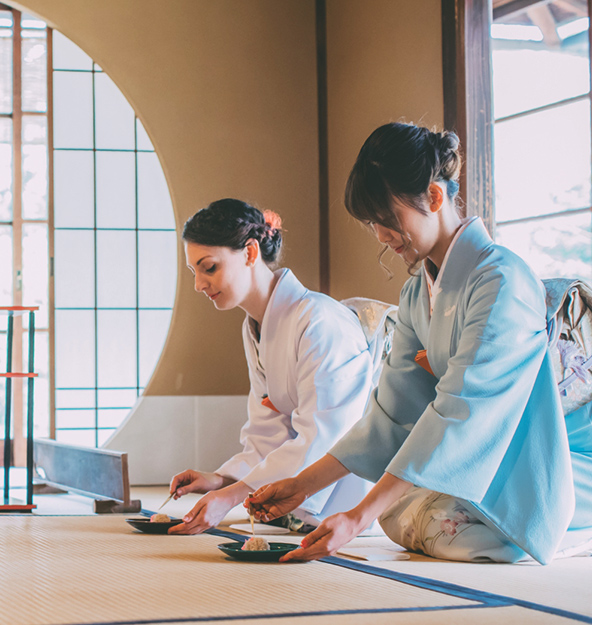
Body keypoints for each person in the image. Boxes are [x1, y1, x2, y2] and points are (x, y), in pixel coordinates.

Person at [245, 122, 592, 564]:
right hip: (479, 452)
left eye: (387, 220)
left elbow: (462, 409)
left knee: (428, 520)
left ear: (433, 197)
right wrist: (302, 484)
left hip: (552, 455)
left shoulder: (503, 281)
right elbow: (390, 414)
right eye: (372, 224)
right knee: (401, 515)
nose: (381, 237)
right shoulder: (416, 293)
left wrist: (356, 517)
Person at [167, 198, 375, 534]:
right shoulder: (255, 327)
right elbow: (269, 430)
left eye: (209, 268)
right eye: (195, 272)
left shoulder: (320, 321)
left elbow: (325, 436)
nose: (199, 285)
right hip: (303, 496)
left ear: (250, 253)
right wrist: (220, 481)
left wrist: (232, 496)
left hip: (351, 491)